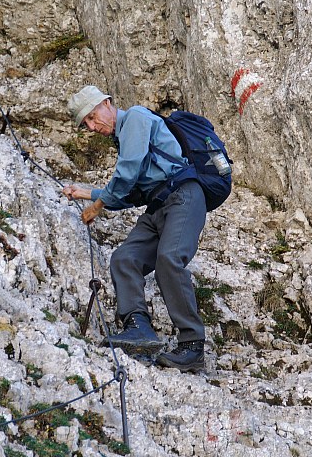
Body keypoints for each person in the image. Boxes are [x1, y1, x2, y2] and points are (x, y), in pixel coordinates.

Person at [64, 85, 207, 373]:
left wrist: (97, 205)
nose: (92, 127)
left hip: (184, 196)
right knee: (124, 258)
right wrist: (87, 194)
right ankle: (138, 327)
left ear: (107, 103)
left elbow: (128, 170)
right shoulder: (125, 137)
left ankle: (192, 346)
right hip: (157, 207)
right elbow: (130, 194)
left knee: (169, 258)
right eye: (86, 124)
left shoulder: (136, 119)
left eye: (92, 117)